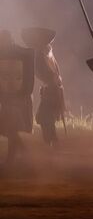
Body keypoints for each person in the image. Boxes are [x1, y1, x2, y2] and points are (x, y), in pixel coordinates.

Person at [22, 28, 64, 147]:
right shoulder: (45, 53)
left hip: (51, 89)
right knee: (46, 116)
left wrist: (48, 84)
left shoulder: (43, 54)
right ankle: (52, 140)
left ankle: (51, 141)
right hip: (51, 88)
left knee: (44, 116)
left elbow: (48, 74)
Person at [0, 30, 34, 165]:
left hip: (18, 100)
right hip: (8, 99)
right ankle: (21, 155)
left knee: (12, 128)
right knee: (10, 128)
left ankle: (16, 157)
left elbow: (26, 82)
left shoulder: (22, 54)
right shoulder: (19, 53)